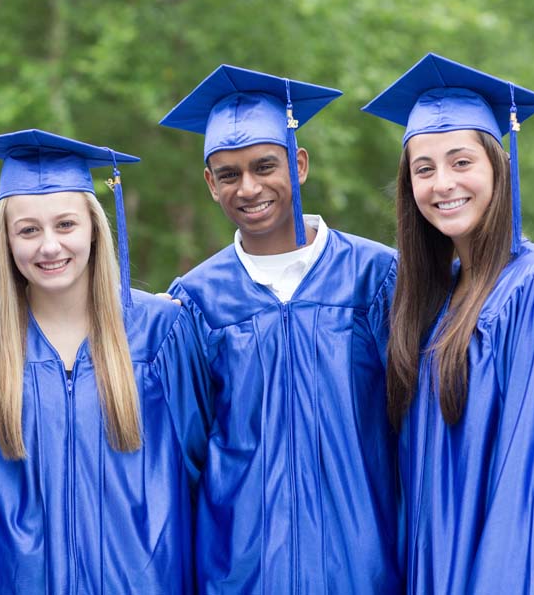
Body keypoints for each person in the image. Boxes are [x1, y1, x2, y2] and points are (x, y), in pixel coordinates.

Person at [159, 65, 402, 593]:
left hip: (364, 565)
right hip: (241, 571)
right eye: (228, 174)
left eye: (265, 166)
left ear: (300, 163)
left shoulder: (376, 279)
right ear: (210, 183)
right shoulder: (196, 301)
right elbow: (184, 452)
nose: (249, 187)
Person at [363, 52, 534, 593]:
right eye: (424, 169)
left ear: (499, 164)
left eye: (461, 161)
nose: (442, 183)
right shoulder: (432, 297)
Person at [0, 129, 211, 593]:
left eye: (65, 225)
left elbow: (201, 471)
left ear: (94, 228)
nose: (49, 246)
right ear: (6, 239)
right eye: (28, 229)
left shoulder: (161, 332)